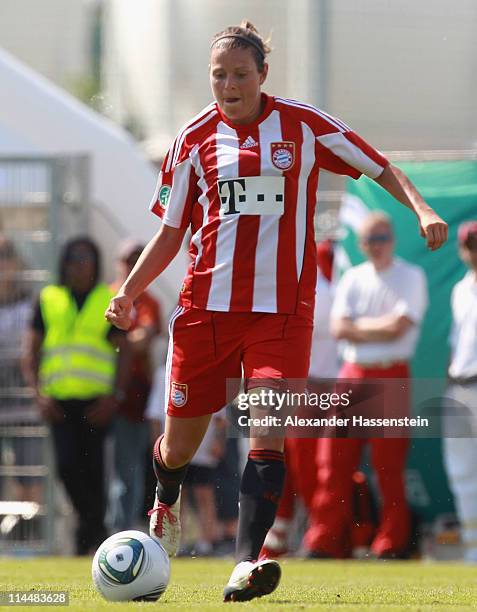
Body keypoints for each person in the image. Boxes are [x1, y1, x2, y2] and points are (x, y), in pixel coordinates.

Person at [105, 21, 447, 601]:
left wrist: (422, 207)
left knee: (267, 434)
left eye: (241, 74)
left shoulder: (303, 127)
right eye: (220, 75)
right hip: (205, 313)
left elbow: (376, 163)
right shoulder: (193, 140)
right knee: (179, 448)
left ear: (263, 75)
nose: (229, 85)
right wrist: (130, 292)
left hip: (280, 314)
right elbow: (169, 233)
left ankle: (246, 561)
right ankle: (166, 502)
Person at [305, 212, 428, 559]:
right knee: (333, 460)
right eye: (371, 239)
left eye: (383, 238)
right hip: (353, 372)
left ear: (393, 239)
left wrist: (362, 328)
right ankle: (324, 539)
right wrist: (379, 327)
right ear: (361, 244)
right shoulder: (354, 277)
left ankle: (390, 542)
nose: (377, 246)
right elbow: (341, 327)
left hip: (390, 373)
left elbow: (399, 327)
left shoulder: (410, 275)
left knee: (388, 465)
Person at [23, 237, 130, 555]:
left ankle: (89, 539)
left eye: (86, 259)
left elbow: (124, 352)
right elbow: (30, 351)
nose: (80, 266)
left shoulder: (107, 298)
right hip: (58, 402)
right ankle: (94, 528)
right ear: (64, 263)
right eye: (74, 259)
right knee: (67, 467)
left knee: (95, 472)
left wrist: (115, 397)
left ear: (96, 264)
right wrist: (37, 394)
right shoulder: (48, 298)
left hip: (97, 403)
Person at [109, 240, 162, 532]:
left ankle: (124, 529)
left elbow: (143, 337)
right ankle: (110, 529)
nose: (132, 266)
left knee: (133, 469)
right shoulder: (105, 295)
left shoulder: (148, 301)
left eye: (137, 260)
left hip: (135, 394)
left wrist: (120, 339)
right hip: (102, 390)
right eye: (127, 260)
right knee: (115, 470)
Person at [443, 221, 477, 562]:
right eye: (469, 245)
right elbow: (456, 343)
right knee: (461, 471)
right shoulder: (460, 288)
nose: (473, 251)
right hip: (460, 384)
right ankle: (472, 550)